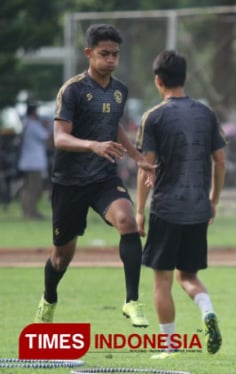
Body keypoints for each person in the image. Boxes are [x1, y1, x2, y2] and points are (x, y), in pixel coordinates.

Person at [33, 24, 155, 328]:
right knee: (62, 257)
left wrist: (139, 158)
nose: (111, 59)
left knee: (127, 222)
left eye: (115, 54)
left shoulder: (120, 91)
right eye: (104, 54)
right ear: (89, 53)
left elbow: (115, 127)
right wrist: (92, 146)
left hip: (103, 178)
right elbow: (60, 138)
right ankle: (49, 297)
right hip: (69, 182)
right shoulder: (72, 89)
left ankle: (131, 301)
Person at [135, 50, 226, 358]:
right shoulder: (207, 113)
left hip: (166, 208)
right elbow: (220, 161)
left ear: (158, 81)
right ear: (185, 78)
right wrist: (213, 200)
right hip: (198, 207)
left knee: (162, 281)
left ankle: (168, 346)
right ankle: (208, 310)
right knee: (187, 275)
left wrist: (138, 211)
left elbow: (145, 166)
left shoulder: (154, 117)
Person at [17, 102, 50, 220]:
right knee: (34, 188)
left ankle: (26, 211)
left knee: (28, 188)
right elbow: (45, 136)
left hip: (28, 162)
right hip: (33, 162)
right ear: (33, 112)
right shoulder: (33, 124)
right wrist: (46, 126)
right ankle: (31, 212)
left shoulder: (26, 123)